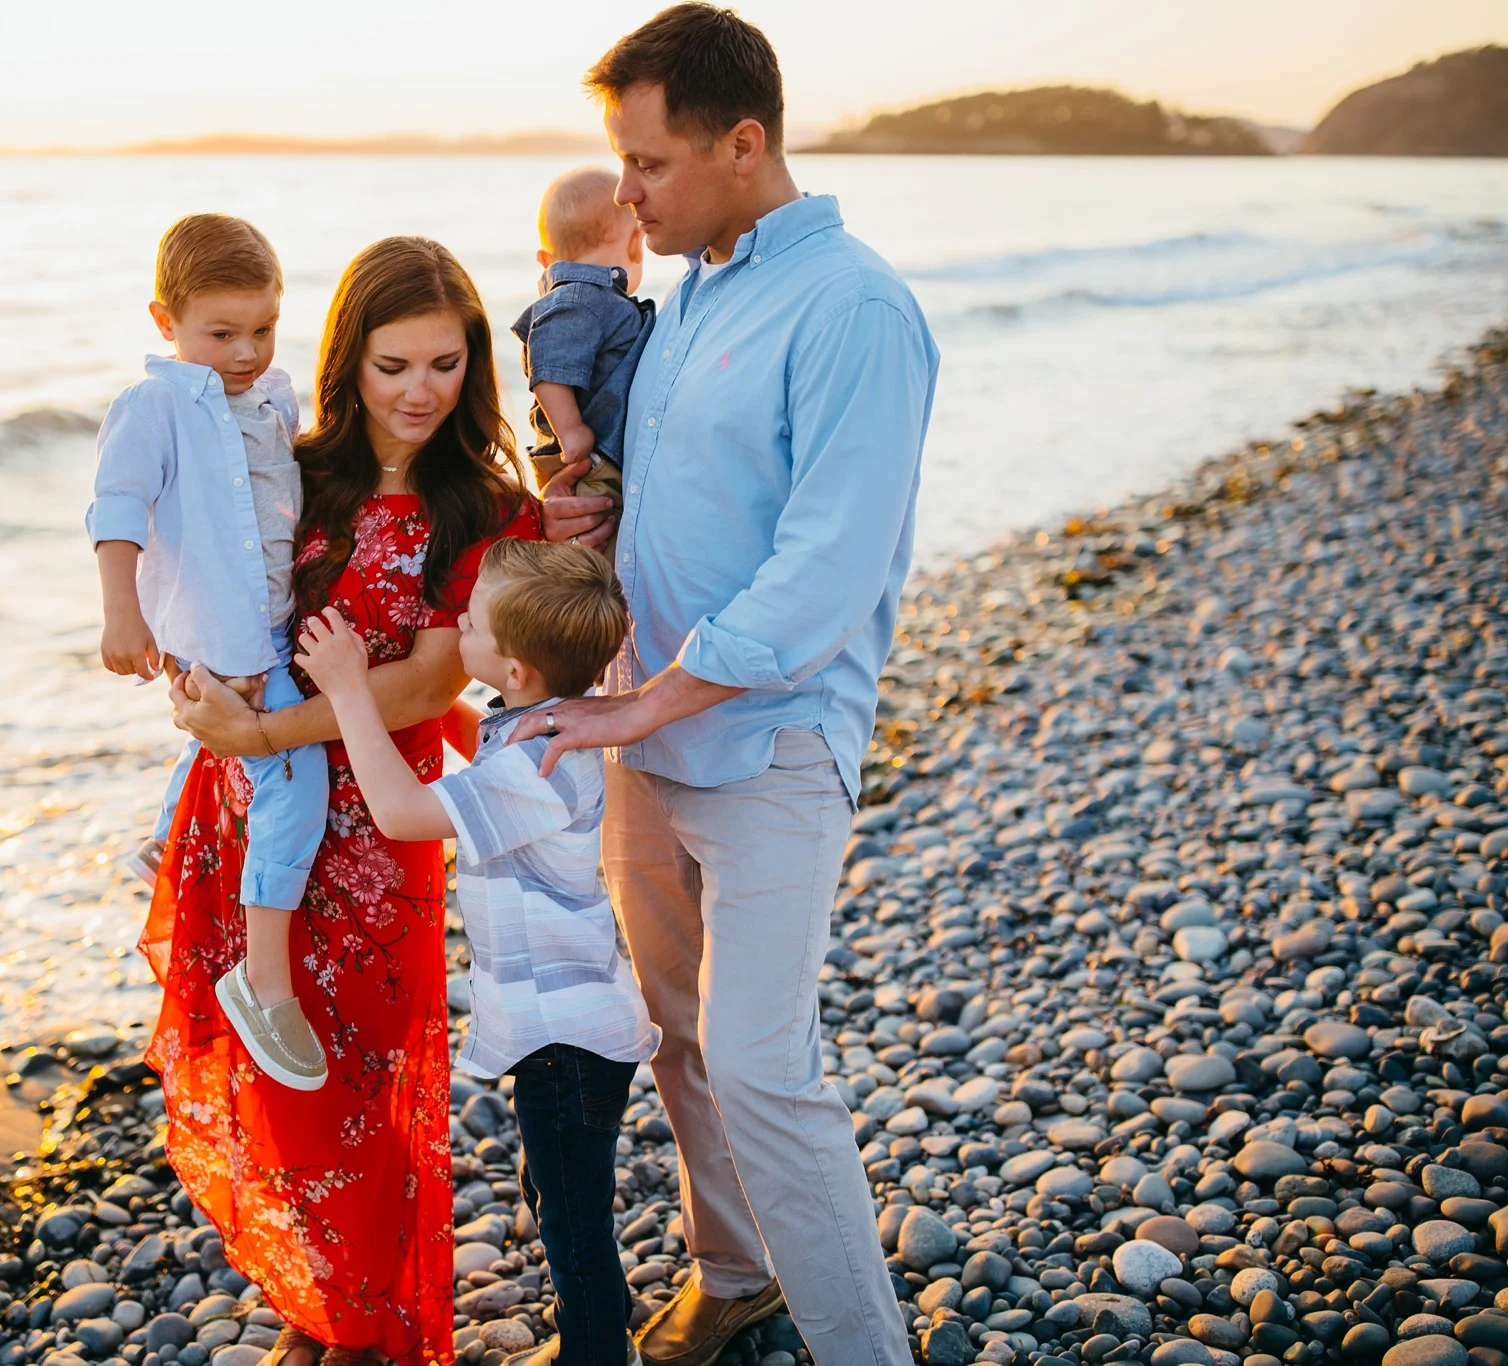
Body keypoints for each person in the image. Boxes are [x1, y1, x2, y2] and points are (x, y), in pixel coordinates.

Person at [536, 6, 940, 1364]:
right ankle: (733, 1271)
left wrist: (641, 705)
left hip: (770, 745)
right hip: (651, 739)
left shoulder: (858, 306)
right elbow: (704, 492)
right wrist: (598, 514)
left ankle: (866, 1349)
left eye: (646, 164)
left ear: (743, 140)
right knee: (676, 1037)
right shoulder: (702, 284)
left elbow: (822, 572)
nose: (625, 198)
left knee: (767, 1065)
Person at [139, 235, 541, 1366]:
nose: (421, 392)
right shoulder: (292, 469)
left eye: (446, 365)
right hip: (251, 808)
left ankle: (369, 1326)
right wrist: (191, 684)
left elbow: (425, 679)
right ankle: (314, 1302)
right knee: (274, 1069)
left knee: (358, 1072)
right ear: (346, 365)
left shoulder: (484, 512)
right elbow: (204, 575)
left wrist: (258, 727)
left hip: (377, 828)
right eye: (393, 366)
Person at [293, 538, 660, 1366]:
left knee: (571, 1216)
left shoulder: (536, 765)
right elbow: (476, 738)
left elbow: (400, 812)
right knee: (556, 1188)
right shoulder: (538, 723)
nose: (457, 624)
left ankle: (599, 1353)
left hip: (567, 1037)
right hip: (567, 1025)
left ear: (519, 668)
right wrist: (406, 696)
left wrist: (352, 690)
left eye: (474, 623)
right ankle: (602, 1334)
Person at [87, 213, 330, 1091]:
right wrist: (123, 613)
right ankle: (265, 980)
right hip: (215, 630)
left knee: (217, 744)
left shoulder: (273, 397)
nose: (245, 350)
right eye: (221, 333)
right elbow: (115, 507)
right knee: (298, 779)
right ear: (166, 321)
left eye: (262, 328)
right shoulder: (152, 407)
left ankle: (165, 840)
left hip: (269, 619)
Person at [513, 166, 653, 528]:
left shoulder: (590, 302)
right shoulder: (579, 298)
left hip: (591, 458)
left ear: (545, 260)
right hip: (585, 463)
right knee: (596, 560)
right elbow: (548, 365)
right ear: (636, 244)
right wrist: (570, 429)